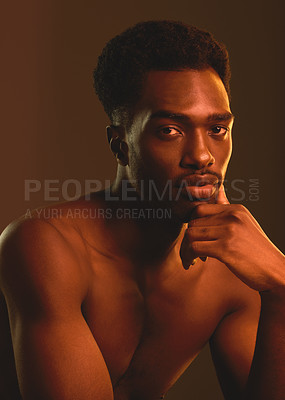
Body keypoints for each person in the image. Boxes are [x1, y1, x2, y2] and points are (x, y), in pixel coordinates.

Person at [0, 20, 284, 400]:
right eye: (170, 130)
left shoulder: (236, 266)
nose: (201, 156)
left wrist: (282, 289)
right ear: (120, 144)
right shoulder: (47, 246)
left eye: (218, 129)